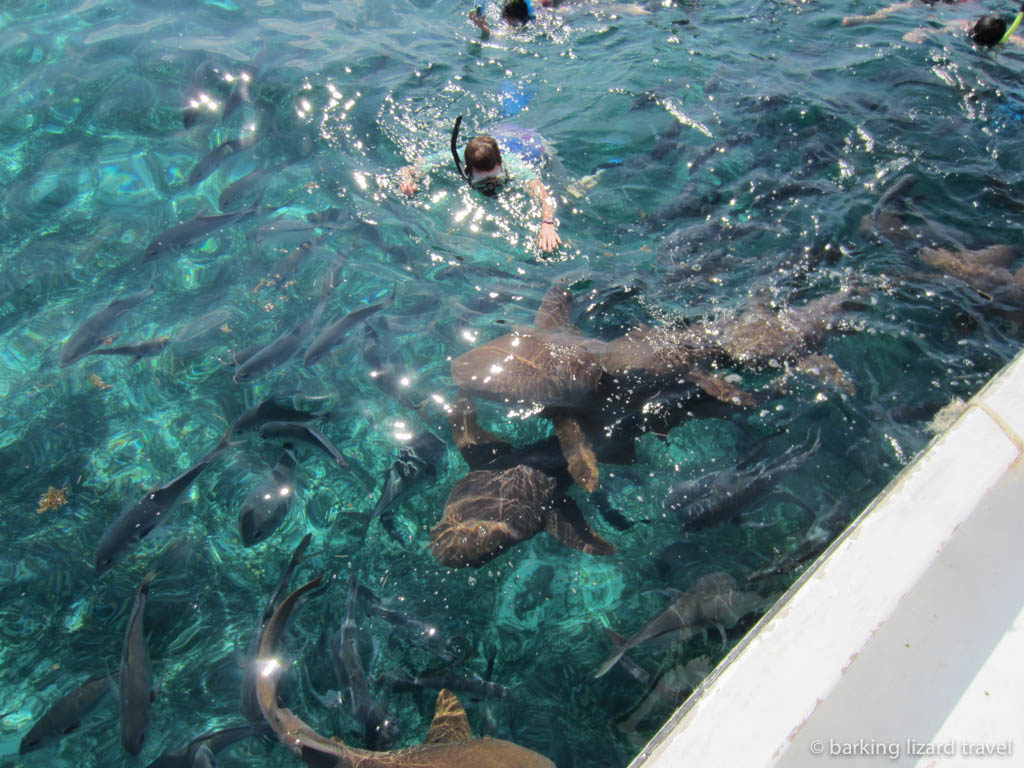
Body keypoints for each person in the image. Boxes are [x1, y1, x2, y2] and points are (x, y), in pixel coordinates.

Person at [398, 116, 562, 252]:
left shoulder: (513, 165)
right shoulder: (456, 159)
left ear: (501, 166)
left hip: (525, 141)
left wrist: (547, 223)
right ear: (467, 172)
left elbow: (543, 194)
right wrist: (408, 180)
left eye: (496, 179)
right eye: (482, 182)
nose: (491, 188)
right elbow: (410, 168)